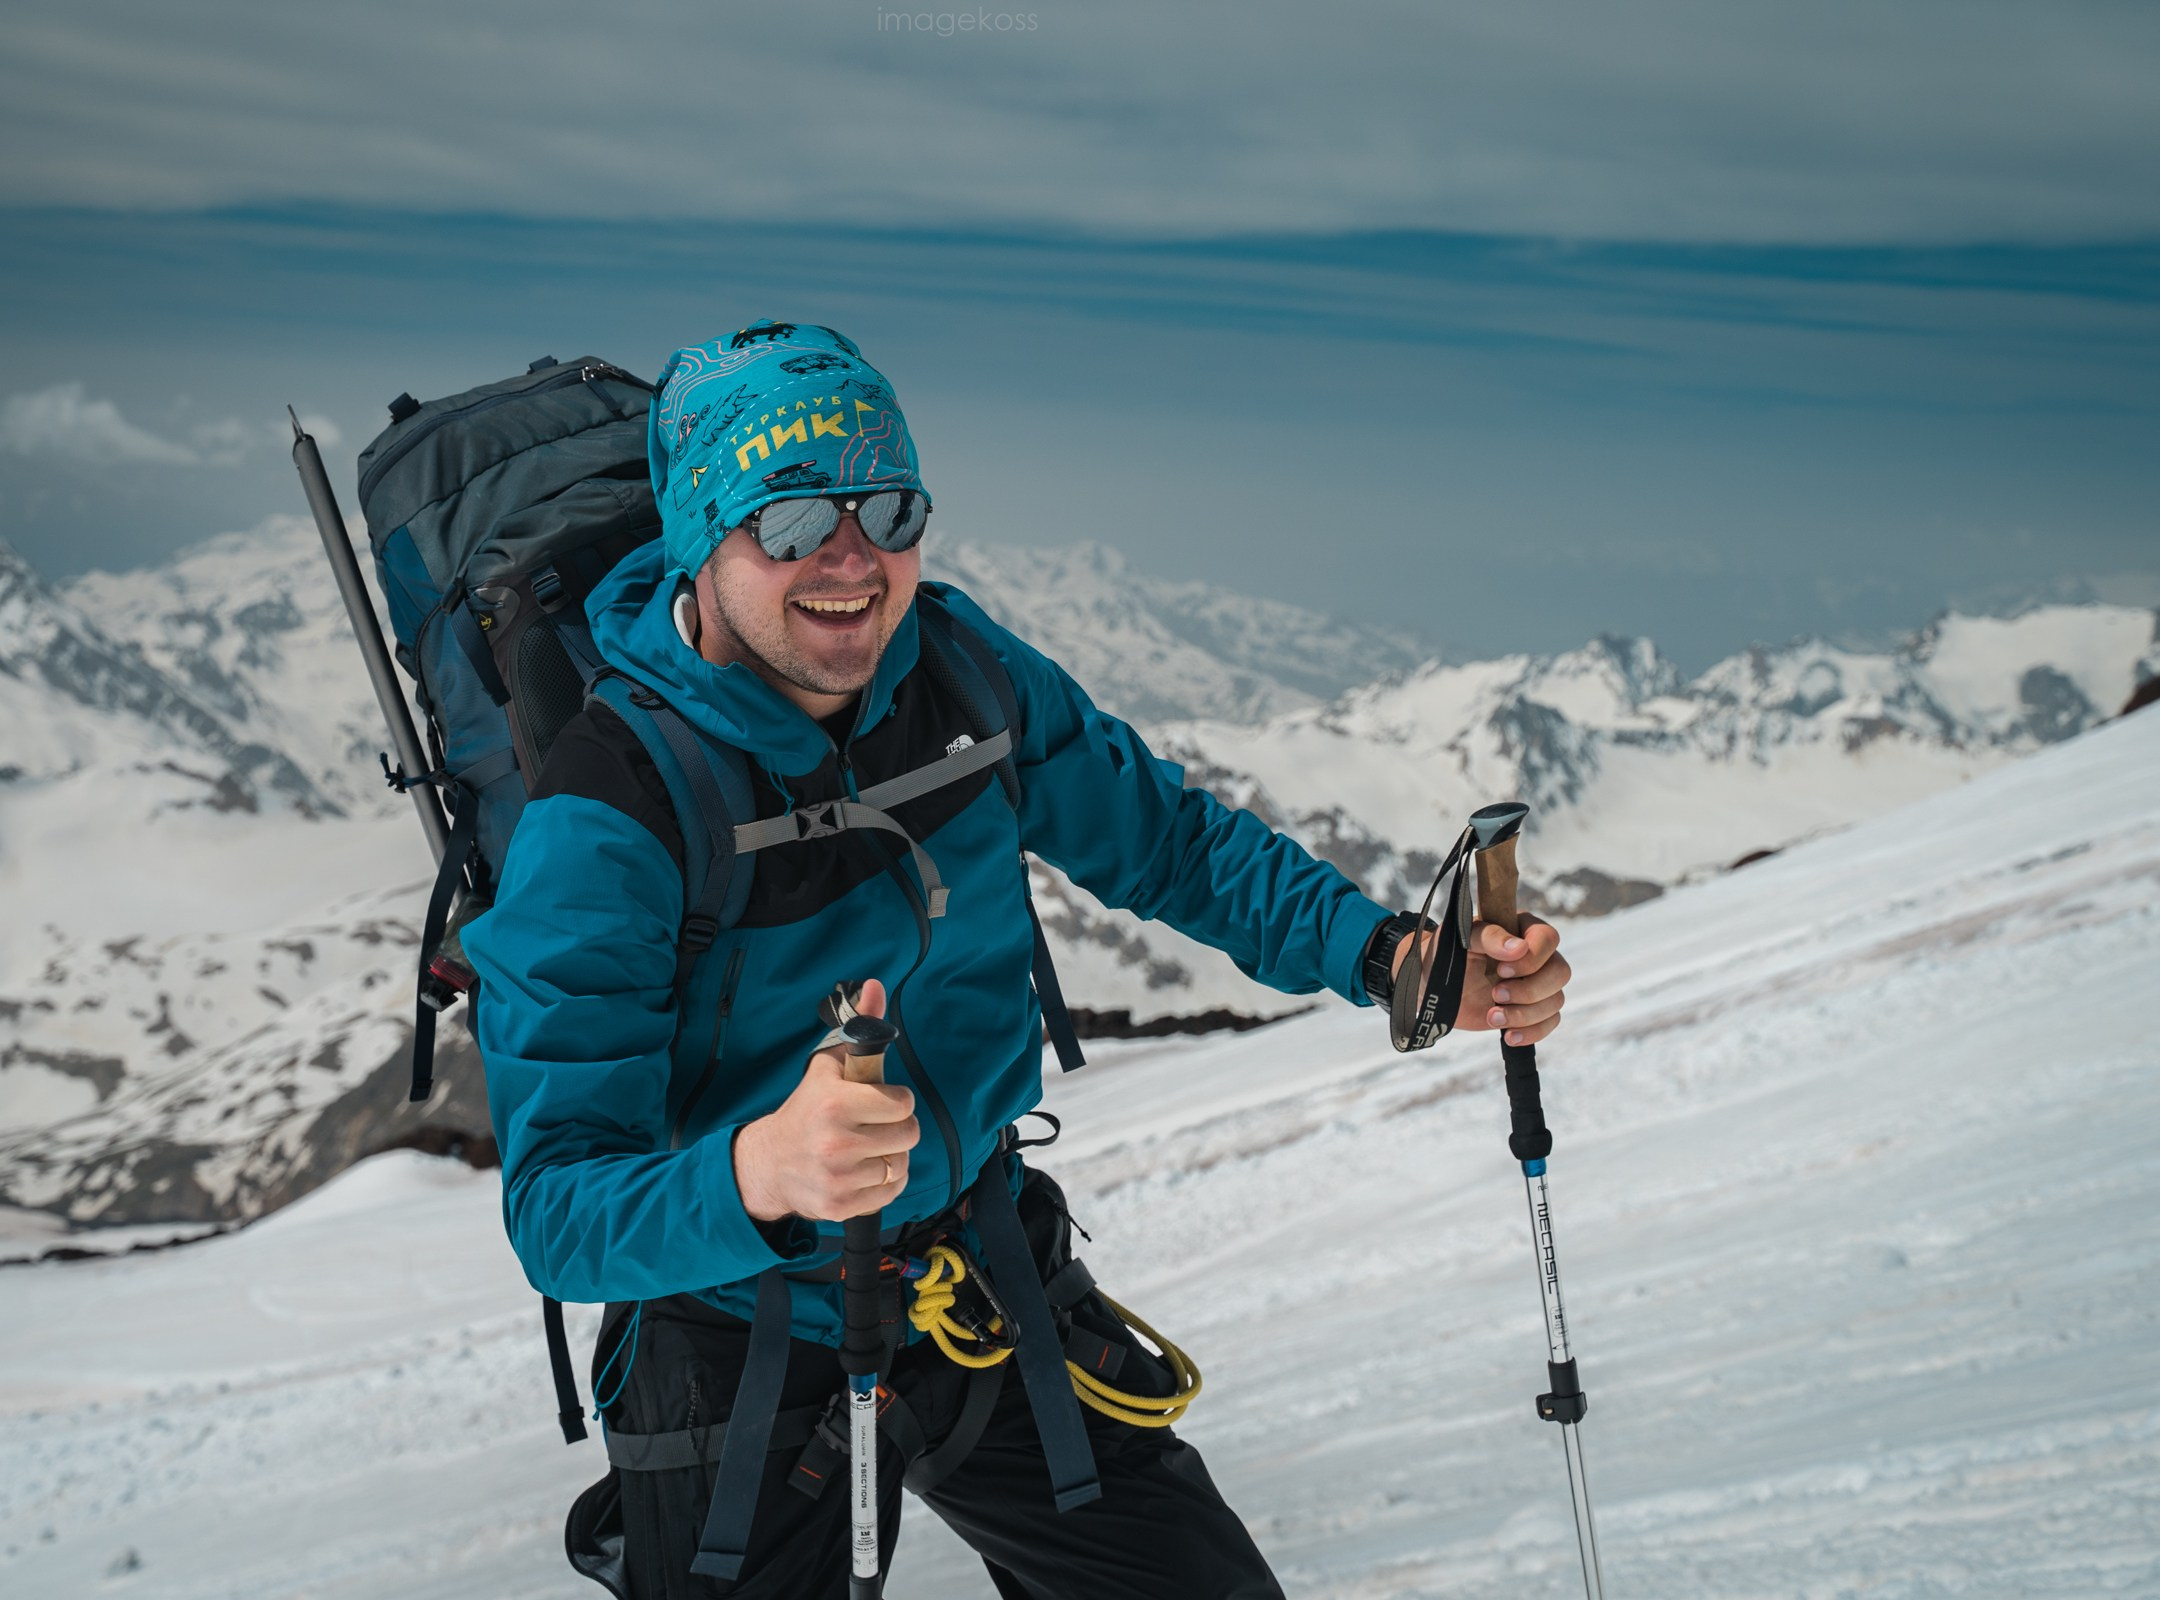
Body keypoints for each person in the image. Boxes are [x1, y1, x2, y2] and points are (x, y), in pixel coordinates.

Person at [462, 321, 1571, 1599]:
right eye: (788, 519)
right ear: (701, 536)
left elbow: (1170, 845)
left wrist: (1395, 957)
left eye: (887, 507)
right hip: (730, 1335)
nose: (850, 558)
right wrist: (763, 1168)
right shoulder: (611, 812)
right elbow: (559, 1207)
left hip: (972, 1268)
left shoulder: (960, 670)